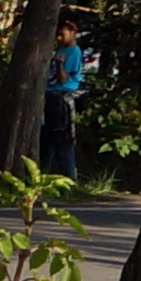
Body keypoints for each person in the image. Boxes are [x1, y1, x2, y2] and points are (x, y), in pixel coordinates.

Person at [39, 25, 90, 183]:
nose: (59, 38)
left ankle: (69, 178)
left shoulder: (73, 52)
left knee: (62, 137)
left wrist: (60, 64)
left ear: (73, 33)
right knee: (46, 138)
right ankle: (42, 174)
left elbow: (63, 79)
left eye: (62, 34)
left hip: (62, 96)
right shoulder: (60, 50)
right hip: (50, 95)